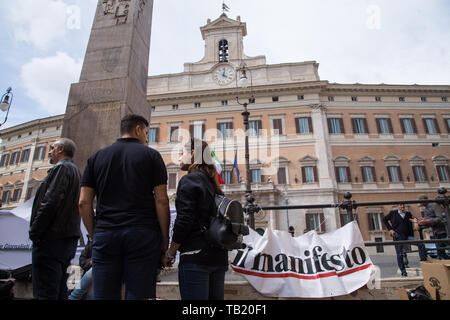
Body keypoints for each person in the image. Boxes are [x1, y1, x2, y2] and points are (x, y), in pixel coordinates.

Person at [79, 114, 170, 300]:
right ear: (138, 129)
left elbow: (83, 202)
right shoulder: (152, 155)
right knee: (139, 295)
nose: (147, 137)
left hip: (105, 233)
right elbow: (161, 200)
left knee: (103, 295)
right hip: (142, 233)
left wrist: (93, 234)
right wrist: (164, 236)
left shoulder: (95, 158)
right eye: (146, 132)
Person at [162, 138, 228, 300]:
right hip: (218, 257)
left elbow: (184, 220)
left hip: (195, 255)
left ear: (192, 154)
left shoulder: (189, 180)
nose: (179, 158)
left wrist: (170, 252)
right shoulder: (215, 186)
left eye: (181, 153)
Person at [29, 138, 81, 300]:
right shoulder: (75, 171)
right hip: (65, 239)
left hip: (51, 238)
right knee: (59, 290)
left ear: (61, 150)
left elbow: (50, 201)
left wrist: (35, 231)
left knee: (45, 291)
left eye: (52, 148)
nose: (49, 151)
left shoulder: (62, 169)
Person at [383, 203, 427, 277]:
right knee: (399, 254)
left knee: (420, 243)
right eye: (400, 205)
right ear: (398, 206)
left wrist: (415, 222)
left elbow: (414, 219)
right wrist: (390, 229)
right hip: (398, 237)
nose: (402, 206)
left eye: (403, 205)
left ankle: (423, 262)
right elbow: (384, 219)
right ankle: (403, 272)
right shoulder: (393, 213)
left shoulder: (408, 214)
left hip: (407, 236)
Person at [418, 195, 450, 260]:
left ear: (423, 201)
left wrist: (428, 220)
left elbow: (440, 218)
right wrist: (421, 223)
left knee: (441, 250)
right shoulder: (426, 209)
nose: (419, 203)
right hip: (436, 232)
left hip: (443, 231)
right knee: (440, 251)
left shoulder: (434, 206)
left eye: (420, 201)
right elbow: (428, 222)